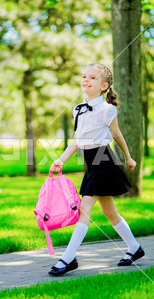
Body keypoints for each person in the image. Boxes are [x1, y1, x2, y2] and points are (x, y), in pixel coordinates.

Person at [48, 63, 145, 276]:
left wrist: (128, 157)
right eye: (84, 76)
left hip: (104, 160)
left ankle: (68, 258)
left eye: (92, 78)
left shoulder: (107, 109)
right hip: (91, 163)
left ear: (103, 86)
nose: (85, 80)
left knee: (84, 209)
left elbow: (117, 135)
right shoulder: (78, 109)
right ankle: (135, 248)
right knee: (109, 212)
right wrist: (61, 159)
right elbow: (76, 140)